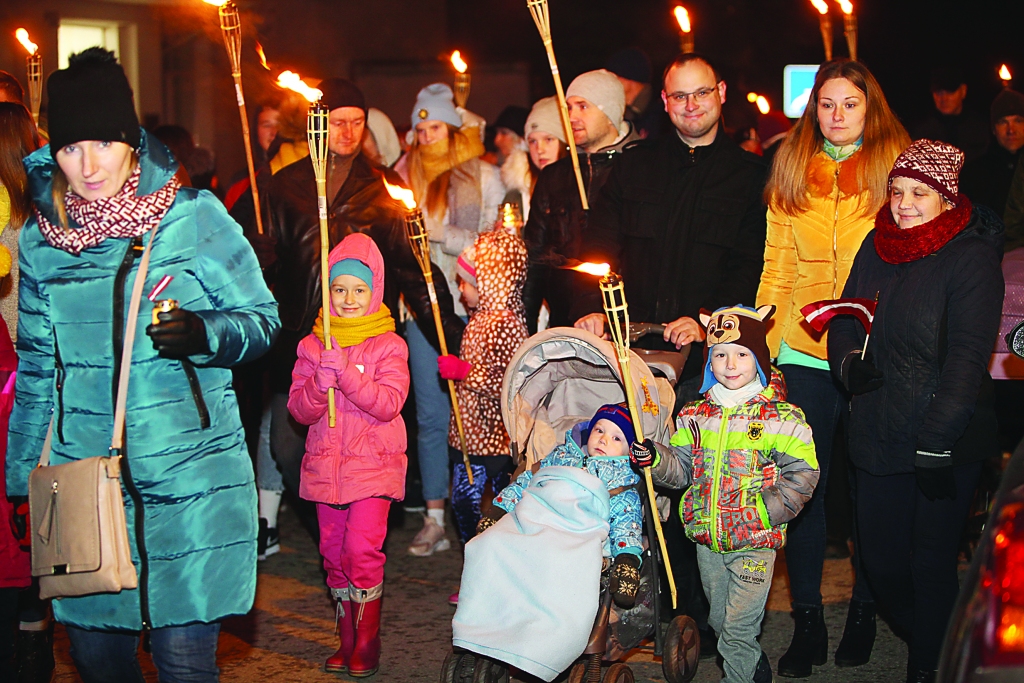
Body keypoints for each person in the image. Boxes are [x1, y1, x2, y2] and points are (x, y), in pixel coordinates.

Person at [5, 48, 279, 682]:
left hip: (191, 479)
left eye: (104, 143)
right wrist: (22, 479)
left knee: (185, 663)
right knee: (100, 663)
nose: (89, 164)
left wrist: (206, 333)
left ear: (131, 140)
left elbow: (263, 321)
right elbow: (38, 368)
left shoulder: (193, 219)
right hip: (84, 484)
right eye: (71, 148)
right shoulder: (43, 242)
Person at [573, 53, 768, 648]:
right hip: (632, 357)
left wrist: (709, 320)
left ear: (722, 94)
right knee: (631, 480)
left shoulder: (747, 174)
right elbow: (600, 245)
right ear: (663, 101)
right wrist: (596, 308)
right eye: (678, 96)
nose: (690, 106)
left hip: (709, 361)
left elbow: (749, 264)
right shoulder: (635, 169)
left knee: (696, 482)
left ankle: (700, 616)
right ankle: (638, 608)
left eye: (701, 94)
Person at [755, 58, 911, 677]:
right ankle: (810, 620)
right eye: (828, 104)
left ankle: (867, 612)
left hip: (876, 347)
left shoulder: (899, 166)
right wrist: (762, 346)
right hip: (804, 346)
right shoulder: (793, 167)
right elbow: (777, 267)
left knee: (867, 483)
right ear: (812, 107)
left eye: (850, 104)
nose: (838, 115)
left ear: (870, 108)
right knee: (805, 485)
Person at [828, 139, 1004, 683]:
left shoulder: (971, 256)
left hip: (944, 437)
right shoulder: (875, 244)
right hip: (878, 426)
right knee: (880, 564)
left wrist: (938, 440)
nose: (903, 203)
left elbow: (968, 358)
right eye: (897, 190)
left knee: (930, 565)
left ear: (947, 198)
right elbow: (843, 314)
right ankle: (949, 638)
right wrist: (845, 366)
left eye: (919, 193)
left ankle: (928, 667)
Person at [266, 79, 465, 550]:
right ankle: (330, 536)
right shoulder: (284, 186)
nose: (350, 131)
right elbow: (256, 261)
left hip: (366, 346)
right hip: (301, 337)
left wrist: (448, 330)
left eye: (358, 122)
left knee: (361, 450)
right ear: (318, 124)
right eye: (339, 122)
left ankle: (352, 548)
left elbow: (413, 265)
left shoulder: (382, 188)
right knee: (288, 446)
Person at [633, 304, 819, 683]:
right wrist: (655, 458)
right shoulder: (695, 414)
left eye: (741, 354)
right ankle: (751, 666)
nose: (730, 363)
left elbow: (804, 473)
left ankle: (740, 673)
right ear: (709, 362)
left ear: (759, 359)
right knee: (720, 621)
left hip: (753, 540)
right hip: (708, 540)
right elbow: (682, 467)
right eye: (720, 354)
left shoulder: (781, 417)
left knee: (736, 629)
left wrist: (763, 513)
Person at [287, 232, 409, 678]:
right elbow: (298, 410)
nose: (349, 298)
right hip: (325, 469)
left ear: (374, 291)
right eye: (339, 289)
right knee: (333, 555)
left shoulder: (389, 345)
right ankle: (346, 639)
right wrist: (320, 383)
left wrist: (350, 378)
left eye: (359, 289)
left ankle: (368, 642)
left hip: (372, 468)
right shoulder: (312, 345)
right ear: (328, 291)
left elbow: (389, 403)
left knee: (361, 551)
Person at [395, 83, 504, 556]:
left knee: (483, 410)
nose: (426, 137)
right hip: (423, 310)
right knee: (431, 414)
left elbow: (496, 241)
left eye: (435, 127)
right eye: (419, 129)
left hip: (476, 311)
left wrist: (441, 234)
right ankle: (435, 514)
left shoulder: (483, 174)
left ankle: (491, 511)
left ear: (455, 129)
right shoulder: (405, 174)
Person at [436, 228, 528, 604]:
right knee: (463, 505)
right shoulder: (477, 319)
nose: (462, 291)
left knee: (500, 511)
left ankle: (499, 576)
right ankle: (474, 572)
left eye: (466, 282)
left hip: (494, 439)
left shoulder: (507, 323)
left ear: (490, 280)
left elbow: (510, 383)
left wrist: (464, 373)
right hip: (466, 437)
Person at [479, 403, 646, 608]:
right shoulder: (562, 456)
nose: (603, 439)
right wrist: (499, 509)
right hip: (538, 519)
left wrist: (626, 560)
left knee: (555, 559)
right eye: (599, 430)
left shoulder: (621, 483)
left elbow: (626, 524)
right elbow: (527, 482)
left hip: (579, 535)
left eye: (616, 438)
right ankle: (490, 608)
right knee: (492, 542)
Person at [522, 69, 638, 333]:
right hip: (565, 324)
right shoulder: (554, 176)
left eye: (582, 107)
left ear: (610, 112)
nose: (572, 117)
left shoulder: (640, 168)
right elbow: (535, 259)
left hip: (626, 328)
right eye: (569, 107)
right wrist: (524, 329)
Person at [0, 100, 52, 683]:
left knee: (18, 510)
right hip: (35, 379)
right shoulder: (43, 214)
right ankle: (36, 628)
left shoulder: (21, 224)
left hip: (14, 380)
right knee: (38, 510)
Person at [960, 88, 1024, 222]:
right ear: (994, 129)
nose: (1011, 130)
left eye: (1018, 121)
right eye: (1003, 122)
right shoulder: (974, 175)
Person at [910, 67, 990, 163]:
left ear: (963, 91)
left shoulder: (980, 129)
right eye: (938, 92)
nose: (944, 98)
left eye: (950, 92)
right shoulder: (921, 133)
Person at [606, 47, 669, 140]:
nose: (609, 82)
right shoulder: (616, 113)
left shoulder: (662, 118)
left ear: (629, 79)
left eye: (614, 77)